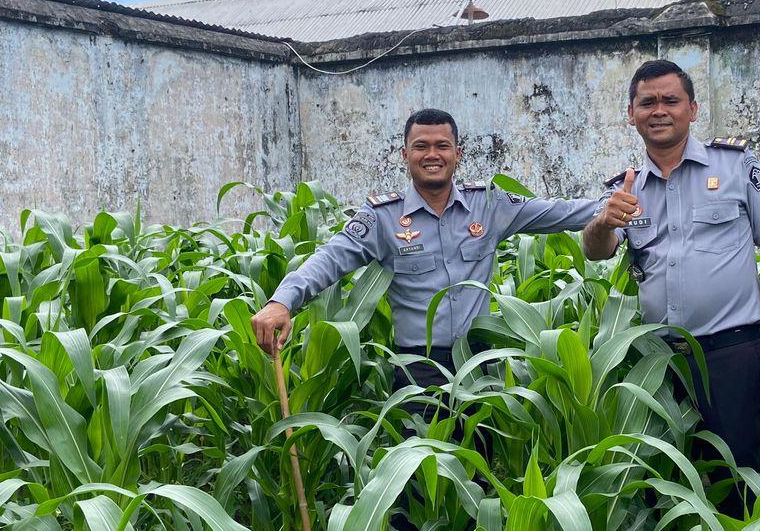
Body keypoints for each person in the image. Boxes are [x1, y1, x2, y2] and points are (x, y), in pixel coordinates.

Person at [581, 58, 760, 516]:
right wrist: (604, 221)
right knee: (660, 487)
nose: (659, 110)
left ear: (693, 109)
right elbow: (596, 251)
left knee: (735, 483)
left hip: (730, 356)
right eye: (647, 102)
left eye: (670, 101)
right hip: (656, 365)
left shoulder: (735, 165)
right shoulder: (626, 187)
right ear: (631, 113)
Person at [251, 108, 602, 386]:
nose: (432, 155)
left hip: (479, 363)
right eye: (421, 146)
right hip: (418, 368)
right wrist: (282, 301)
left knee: (480, 472)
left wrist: (617, 209)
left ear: (457, 153)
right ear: (405, 154)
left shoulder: (489, 205)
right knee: (419, 473)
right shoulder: (382, 217)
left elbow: (561, 211)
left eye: (442, 146)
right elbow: (330, 258)